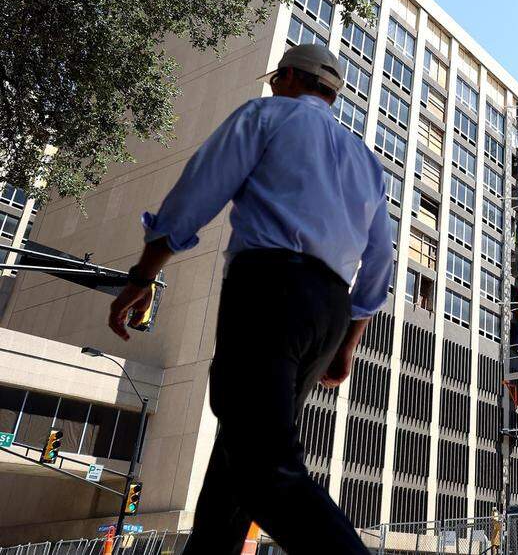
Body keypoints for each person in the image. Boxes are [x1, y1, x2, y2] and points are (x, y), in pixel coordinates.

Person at [107, 44, 393, 555]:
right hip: (326, 311)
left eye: (273, 80)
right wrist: (346, 344)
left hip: (268, 293)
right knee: (235, 468)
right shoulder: (366, 162)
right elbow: (379, 268)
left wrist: (143, 276)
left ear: (287, 78)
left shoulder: (266, 116)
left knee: (264, 467)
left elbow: (196, 195)